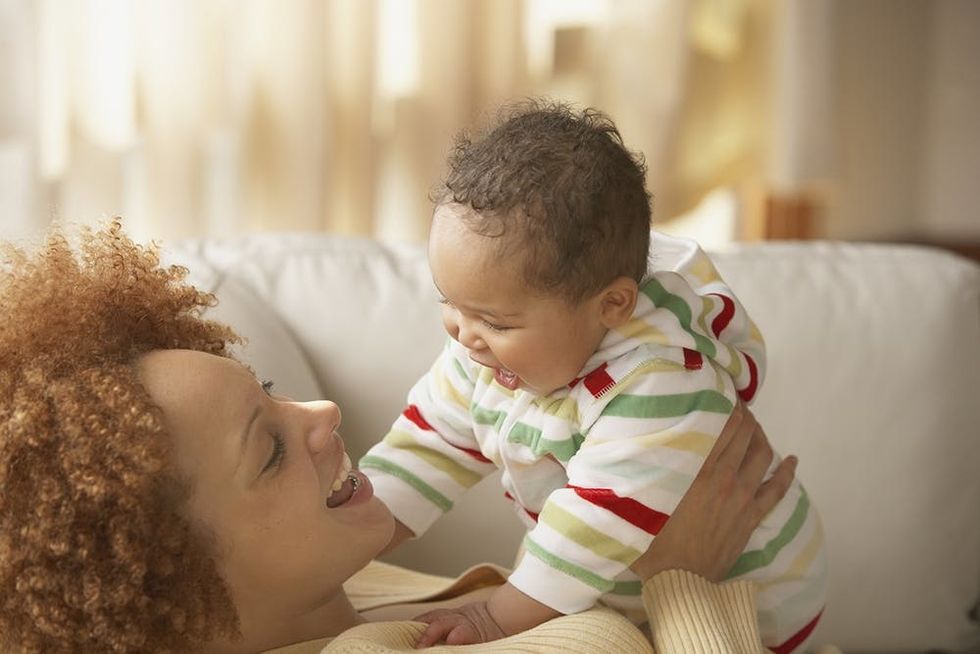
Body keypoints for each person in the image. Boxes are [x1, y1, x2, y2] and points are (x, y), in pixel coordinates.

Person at [0, 221, 797, 654]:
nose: (322, 414)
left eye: (272, 395)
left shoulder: (353, 597)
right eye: (271, 448)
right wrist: (687, 579)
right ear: (169, 591)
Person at [359, 101, 827, 650]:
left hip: (754, 600)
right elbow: (423, 447)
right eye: (451, 303)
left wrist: (494, 620)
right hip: (612, 589)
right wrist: (349, 536)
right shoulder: (481, 355)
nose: (463, 334)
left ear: (612, 305)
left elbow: (591, 526)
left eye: (494, 320)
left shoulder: (660, 378)